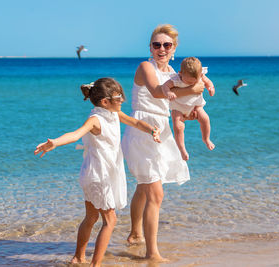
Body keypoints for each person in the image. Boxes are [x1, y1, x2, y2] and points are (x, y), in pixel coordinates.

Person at [34, 78, 161, 267]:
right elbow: (76, 134)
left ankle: (78, 258)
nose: (122, 100)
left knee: (92, 217)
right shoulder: (96, 119)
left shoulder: (114, 113)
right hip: (98, 176)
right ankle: (96, 264)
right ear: (105, 102)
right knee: (110, 221)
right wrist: (55, 143)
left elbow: (134, 122)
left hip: (95, 174)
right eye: (119, 97)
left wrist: (151, 130)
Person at [121, 24, 206, 261]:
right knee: (155, 193)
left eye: (166, 45)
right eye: (156, 44)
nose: (161, 48)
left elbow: (173, 104)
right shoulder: (145, 67)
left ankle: (135, 234)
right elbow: (158, 92)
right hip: (141, 130)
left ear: (174, 49)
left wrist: (190, 113)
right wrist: (193, 87)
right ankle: (152, 253)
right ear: (150, 47)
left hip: (163, 130)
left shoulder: (174, 74)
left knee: (143, 184)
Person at [161, 56, 215, 161]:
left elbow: (209, 82)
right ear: (180, 73)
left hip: (195, 106)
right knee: (178, 126)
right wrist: (168, 92)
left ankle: (206, 139)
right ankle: (182, 149)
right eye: (189, 82)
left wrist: (210, 88)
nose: (192, 84)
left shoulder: (200, 76)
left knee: (205, 119)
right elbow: (164, 86)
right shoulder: (175, 79)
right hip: (178, 107)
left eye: (195, 82)